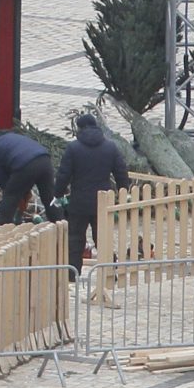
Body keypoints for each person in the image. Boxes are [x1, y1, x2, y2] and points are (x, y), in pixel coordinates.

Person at [55, 113, 132, 274]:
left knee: (75, 239)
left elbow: (64, 174)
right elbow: (121, 172)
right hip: (103, 201)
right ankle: (110, 271)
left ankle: (72, 274)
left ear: (79, 128)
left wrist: (58, 194)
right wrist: (124, 191)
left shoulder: (73, 148)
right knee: (103, 238)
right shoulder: (110, 147)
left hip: (79, 202)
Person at [0, 127, 56, 226]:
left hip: (25, 164)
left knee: (10, 198)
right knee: (49, 199)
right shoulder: (6, 138)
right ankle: (61, 226)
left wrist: (18, 196)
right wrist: (24, 193)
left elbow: (3, 181)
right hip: (44, 159)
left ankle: (3, 228)